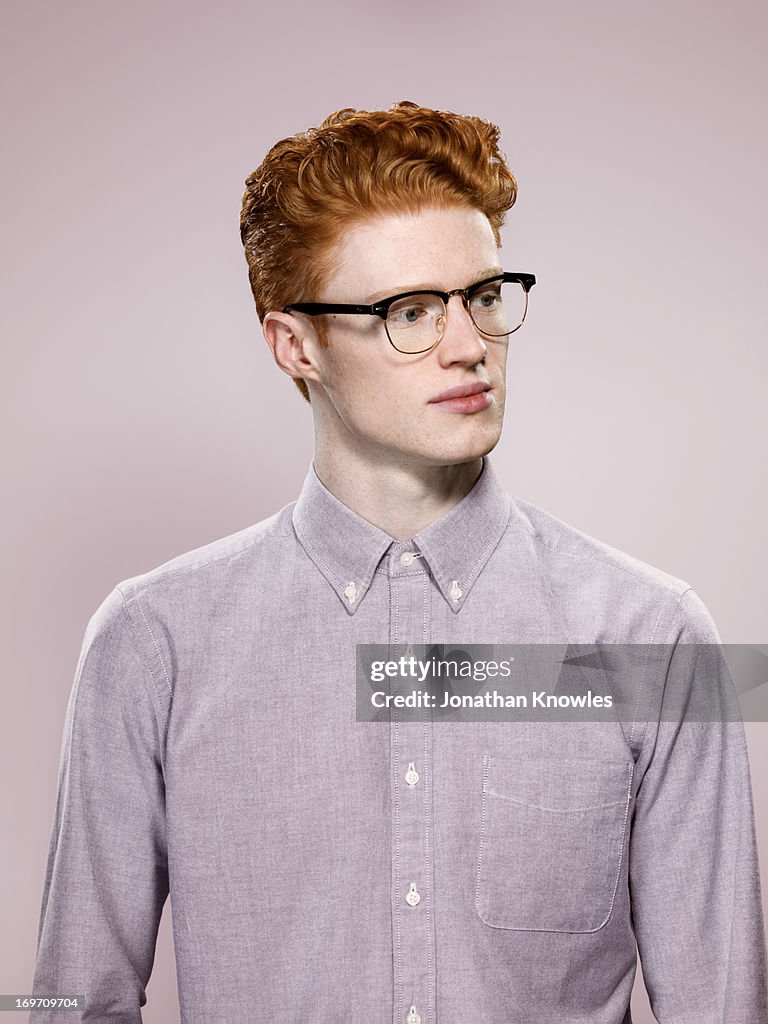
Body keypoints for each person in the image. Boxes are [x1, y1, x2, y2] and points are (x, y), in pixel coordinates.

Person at [30, 101, 767, 1024]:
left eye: (485, 298)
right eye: (408, 311)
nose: (470, 348)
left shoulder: (654, 641)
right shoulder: (152, 643)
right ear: (294, 344)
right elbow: (71, 1003)